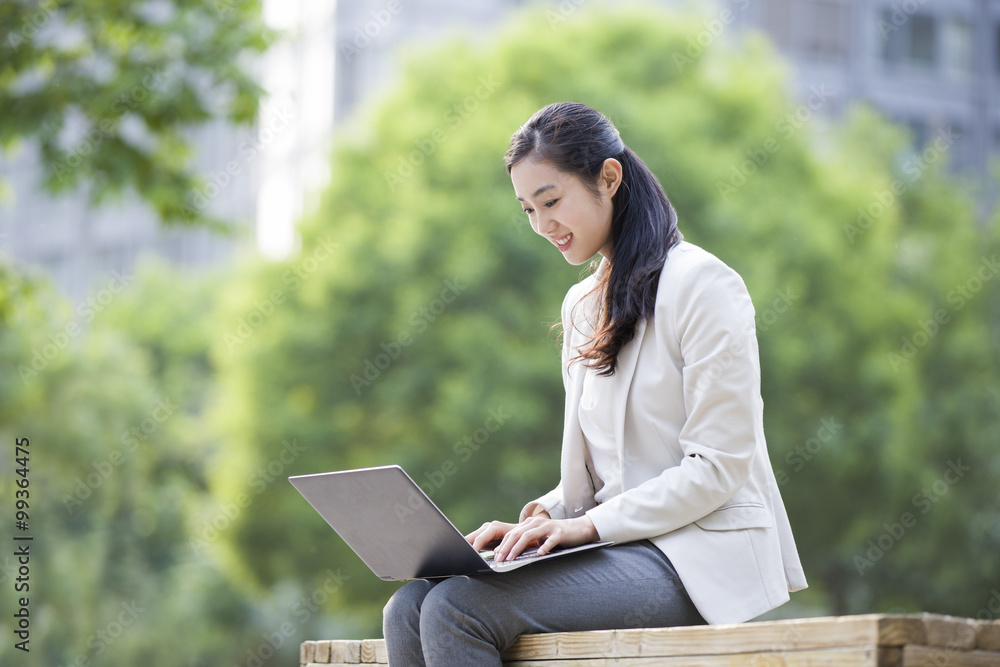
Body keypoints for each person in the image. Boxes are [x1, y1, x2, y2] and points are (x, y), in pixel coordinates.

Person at [382, 101, 807, 666]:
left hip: (697, 554)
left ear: (609, 177)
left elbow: (719, 466)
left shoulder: (703, 285)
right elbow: (607, 474)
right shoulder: (583, 303)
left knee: (459, 607)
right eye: (527, 209)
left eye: (552, 201)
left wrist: (586, 527)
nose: (541, 225)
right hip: (620, 547)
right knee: (408, 606)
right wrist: (540, 521)